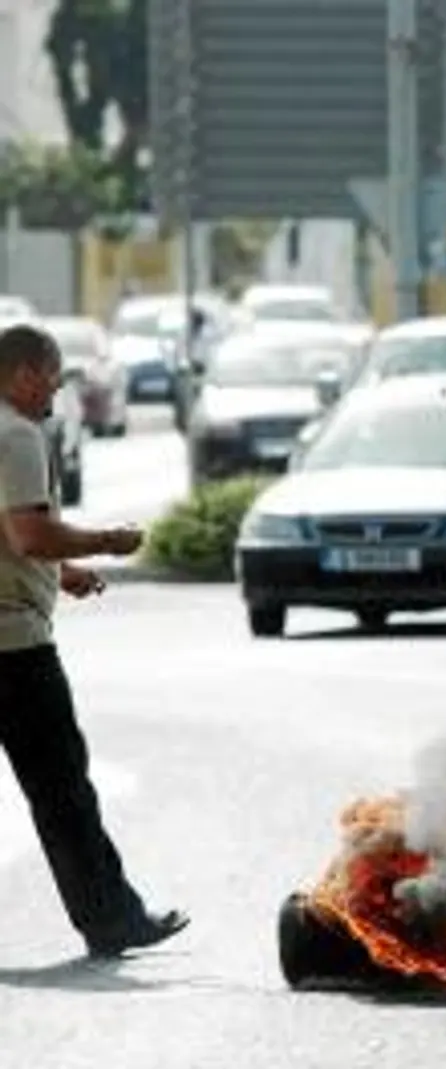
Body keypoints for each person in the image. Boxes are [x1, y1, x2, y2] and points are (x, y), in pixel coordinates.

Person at [0, 323, 189, 959]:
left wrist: (63, 572)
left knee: (59, 788)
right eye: (53, 373)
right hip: (12, 649)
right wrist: (106, 541)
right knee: (62, 790)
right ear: (25, 372)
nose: (58, 386)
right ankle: (111, 920)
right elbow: (29, 534)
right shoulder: (18, 435)